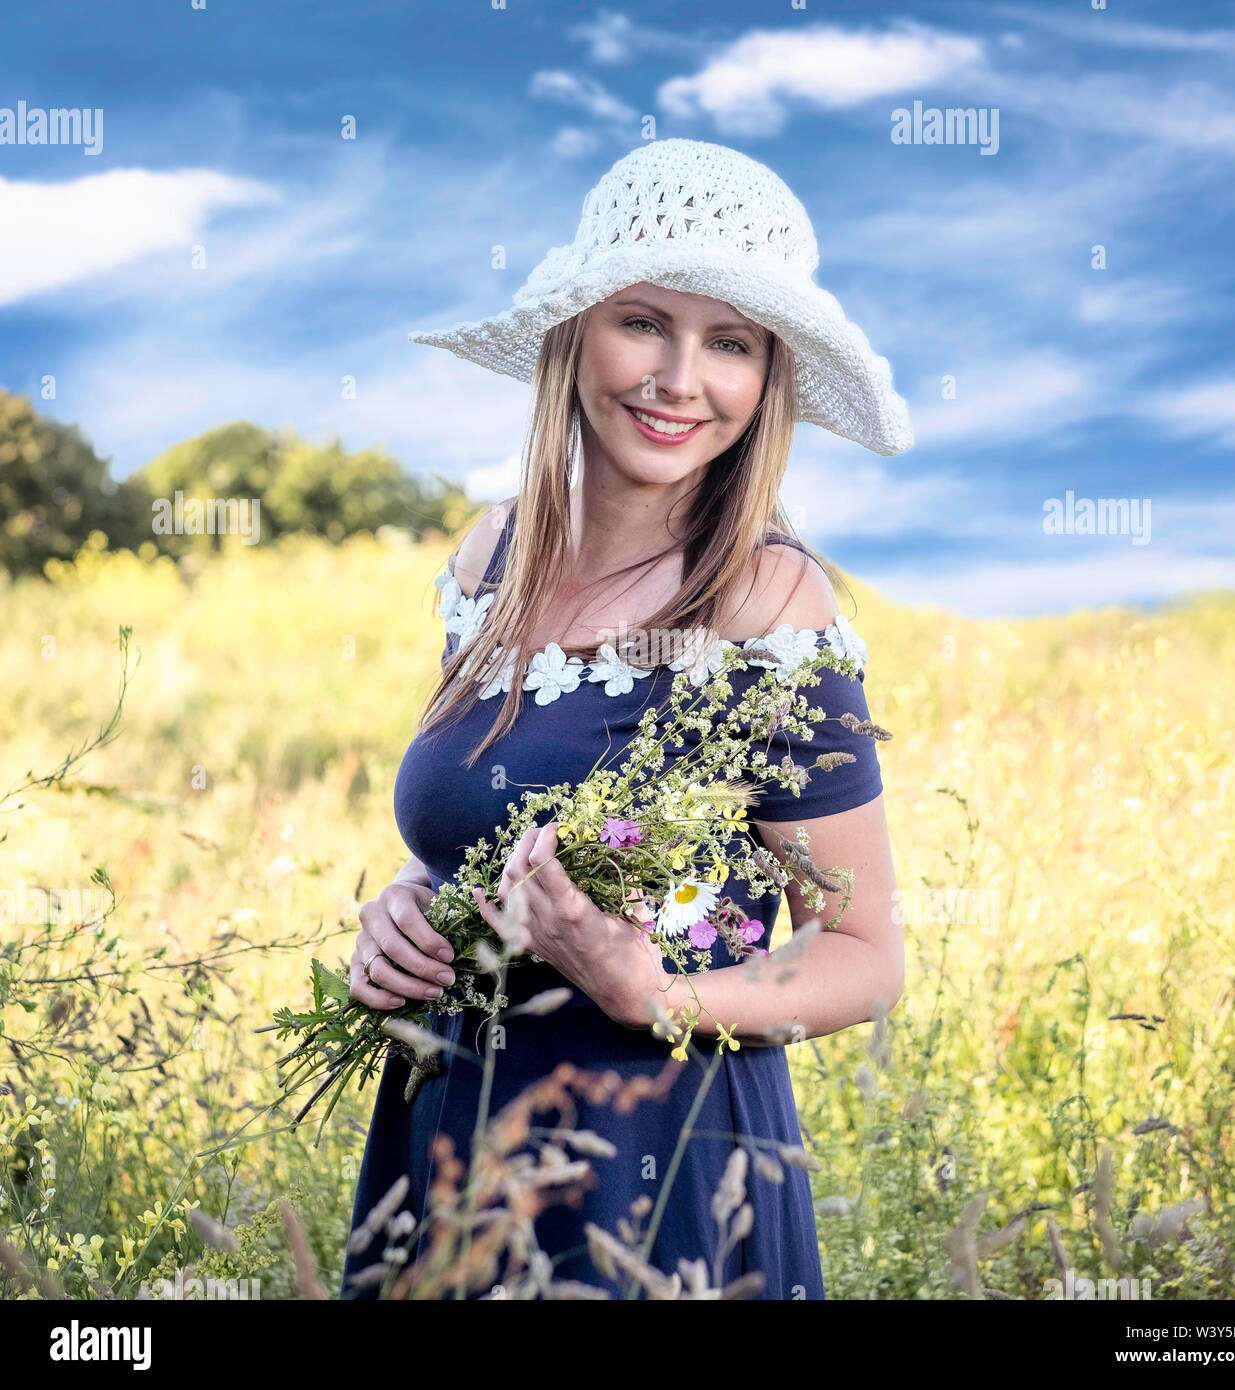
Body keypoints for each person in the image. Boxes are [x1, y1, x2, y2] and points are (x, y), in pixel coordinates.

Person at [339, 137, 911, 1300]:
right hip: (450, 1138)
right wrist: (405, 908)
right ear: (574, 334)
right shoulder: (488, 555)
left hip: (657, 1171)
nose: (679, 378)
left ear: (767, 381)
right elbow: (475, 822)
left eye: (731, 344)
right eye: (643, 322)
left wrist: (655, 991)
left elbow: (861, 954)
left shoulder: (770, 603)